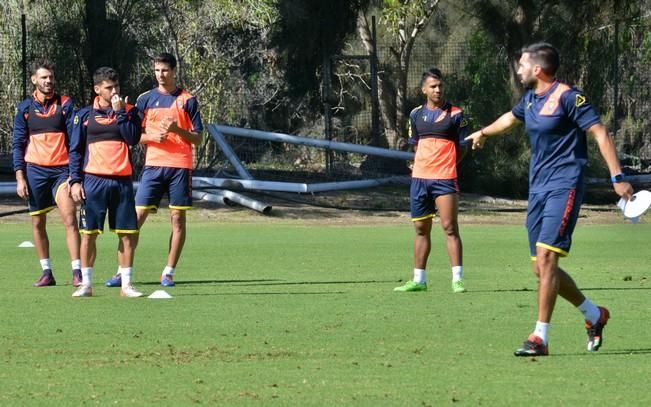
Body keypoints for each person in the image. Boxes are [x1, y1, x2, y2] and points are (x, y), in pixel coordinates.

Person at [465, 42, 633, 356]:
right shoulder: (529, 99)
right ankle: (594, 314)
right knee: (542, 270)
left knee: (546, 258)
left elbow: (600, 133)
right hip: (538, 189)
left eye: (522, 65)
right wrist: (483, 133)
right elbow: (509, 119)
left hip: (565, 185)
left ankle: (539, 338)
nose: (518, 70)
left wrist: (617, 177)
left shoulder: (571, 97)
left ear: (538, 69)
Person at [105, 52, 203, 288]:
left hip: (180, 166)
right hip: (153, 167)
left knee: (177, 219)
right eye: (157, 70)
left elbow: (198, 139)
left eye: (165, 70)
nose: (161, 75)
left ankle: (168, 272)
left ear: (174, 71)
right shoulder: (145, 99)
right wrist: (151, 137)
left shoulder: (188, 100)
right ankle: (122, 271)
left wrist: (177, 130)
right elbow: (132, 134)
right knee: (134, 219)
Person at [68, 66, 143, 298]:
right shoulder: (83, 115)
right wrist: (75, 182)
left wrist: (121, 113)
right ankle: (86, 285)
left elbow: (133, 138)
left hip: (121, 182)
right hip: (93, 181)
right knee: (89, 233)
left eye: (116, 87)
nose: (114, 91)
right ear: (97, 89)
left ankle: (126, 285)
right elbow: (75, 151)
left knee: (127, 233)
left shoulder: (130, 111)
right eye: (109, 87)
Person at [394, 68, 468, 294]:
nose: (438, 90)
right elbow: (416, 145)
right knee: (420, 228)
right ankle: (419, 280)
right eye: (433, 86)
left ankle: (457, 279)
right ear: (423, 90)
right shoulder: (416, 115)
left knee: (449, 227)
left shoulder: (456, 114)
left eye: (440, 86)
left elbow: (463, 147)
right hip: (419, 179)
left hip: (445, 178)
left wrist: (447, 164)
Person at [12, 58, 82, 287]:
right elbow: (18, 145)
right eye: (43, 77)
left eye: (51, 77)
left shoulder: (66, 105)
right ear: (34, 80)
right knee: (37, 223)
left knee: (70, 219)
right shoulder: (24, 108)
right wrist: (20, 177)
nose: (48, 81)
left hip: (61, 173)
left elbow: (75, 144)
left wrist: (74, 176)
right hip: (35, 172)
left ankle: (77, 272)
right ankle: (47, 272)